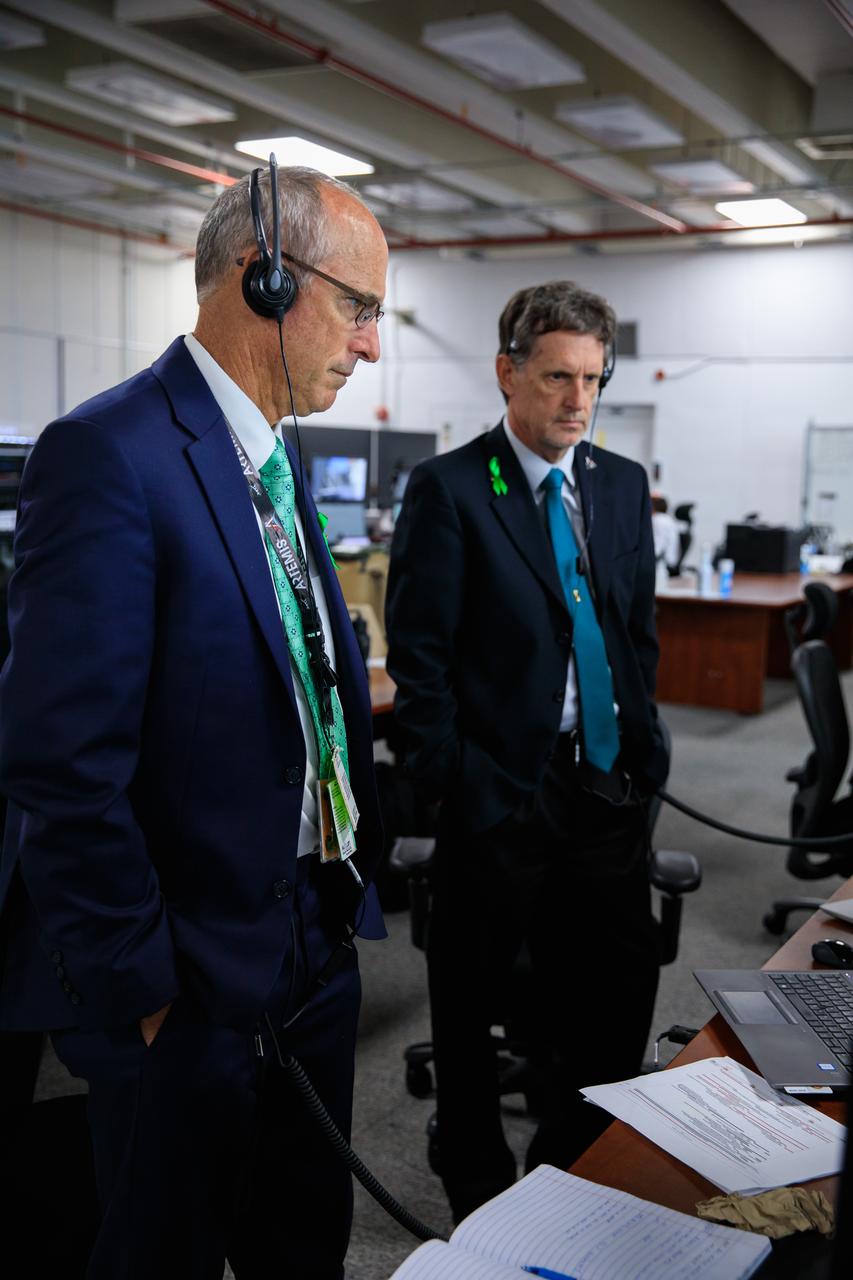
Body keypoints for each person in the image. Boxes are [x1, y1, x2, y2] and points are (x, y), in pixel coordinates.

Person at [0, 161, 388, 1279]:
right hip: (186, 976)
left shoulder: (272, 450)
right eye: (358, 307)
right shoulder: (108, 453)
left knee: (300, 1248)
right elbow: (62, 761)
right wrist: (143, 988)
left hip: (311, 944)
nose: (371, 346)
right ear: (266, 278)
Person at [385, 280, 669, 1222]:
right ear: (507, 373)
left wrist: (642, 755)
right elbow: (419, 663)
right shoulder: (453, 488)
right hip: (499, 790)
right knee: (470, 1006)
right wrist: (458, 785)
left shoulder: (619, 485)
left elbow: (634, 635)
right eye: (556, 378)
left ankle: (565, 1175)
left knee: (612, 995)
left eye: (592, 379)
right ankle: (475, 1187)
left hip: (604, 787)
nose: (577, 401)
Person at [651, 493, 681, 573]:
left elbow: (657, 548)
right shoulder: (668, 519)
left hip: (662, 566)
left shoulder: (657, 520)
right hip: (670, 562)